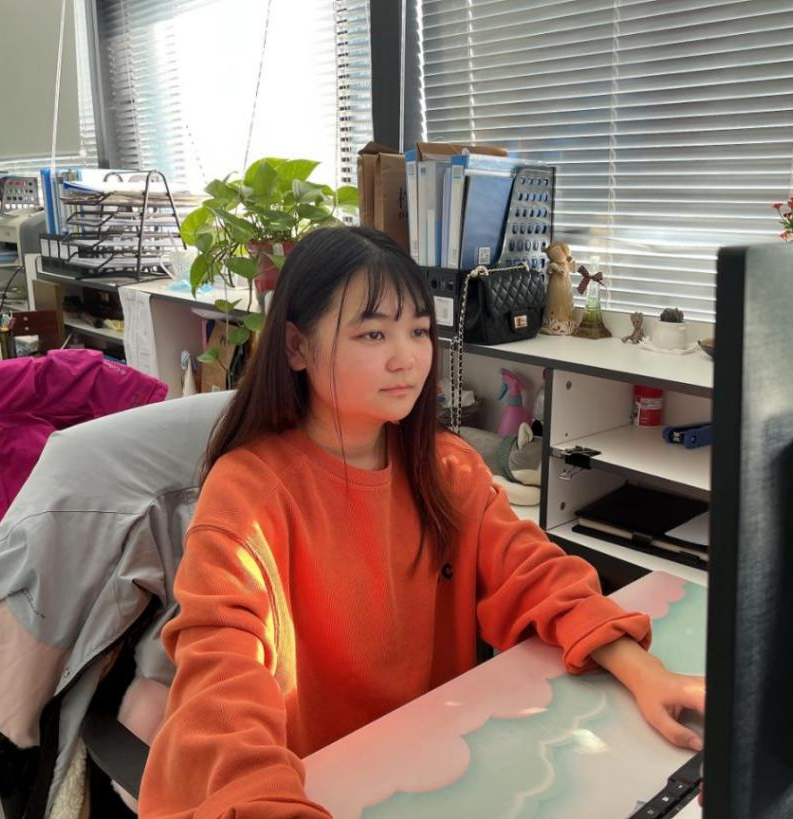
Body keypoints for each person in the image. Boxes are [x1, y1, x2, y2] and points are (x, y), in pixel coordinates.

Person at [139, 226, 705, 817]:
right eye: (373, 333)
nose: (406, 358)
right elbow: (220, 683)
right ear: (297, 347)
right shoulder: (247, 495)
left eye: (417, 331)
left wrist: (644, 671)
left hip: (434, 767)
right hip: (311, 784)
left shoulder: (444, 467)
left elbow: (534, 572)